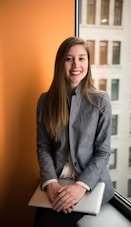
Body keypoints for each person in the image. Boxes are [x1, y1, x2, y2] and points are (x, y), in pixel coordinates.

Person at [34, 36, 114, 227]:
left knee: (50, 222)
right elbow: (43, 147)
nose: (75, 65)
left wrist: (80, 187)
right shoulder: (45, 101)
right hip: (58, 181)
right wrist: (51, 183)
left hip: (91, 183)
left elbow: (102, 152)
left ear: (88, 63)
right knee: (41, 219)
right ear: (60, 63)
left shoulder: (101, 101)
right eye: (69, 59)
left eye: (81, 58)